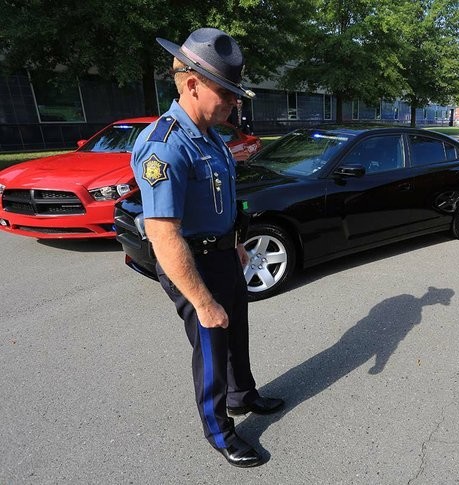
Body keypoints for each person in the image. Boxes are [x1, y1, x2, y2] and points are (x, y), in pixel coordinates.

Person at [130, 27, 283, 468]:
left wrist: (233, 242)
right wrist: (200, 300)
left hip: (221, 254)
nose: (235, 103)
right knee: (212, 339)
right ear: (192, 83)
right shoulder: (163, 145)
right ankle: (219, 430)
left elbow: (223, 196)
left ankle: (243, 395)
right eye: (227, 93)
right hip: (189, 263)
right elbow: (163, 233)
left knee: (236, 331)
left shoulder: (211, 133)